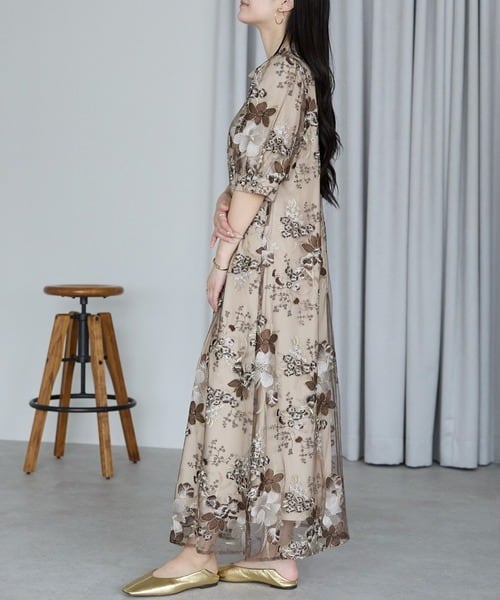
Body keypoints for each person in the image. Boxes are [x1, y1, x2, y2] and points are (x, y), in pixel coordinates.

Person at [122, 0, 349, 595]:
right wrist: (226, 199)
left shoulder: (283, 74)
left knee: (230, 392)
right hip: (293, 272)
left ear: (288, 2)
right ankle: (276, 554)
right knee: (281, 398)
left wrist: (220, 261)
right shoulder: (291, 73)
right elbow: (264, 171)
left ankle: (199, 553)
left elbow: (259, 178)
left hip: (267, 268)